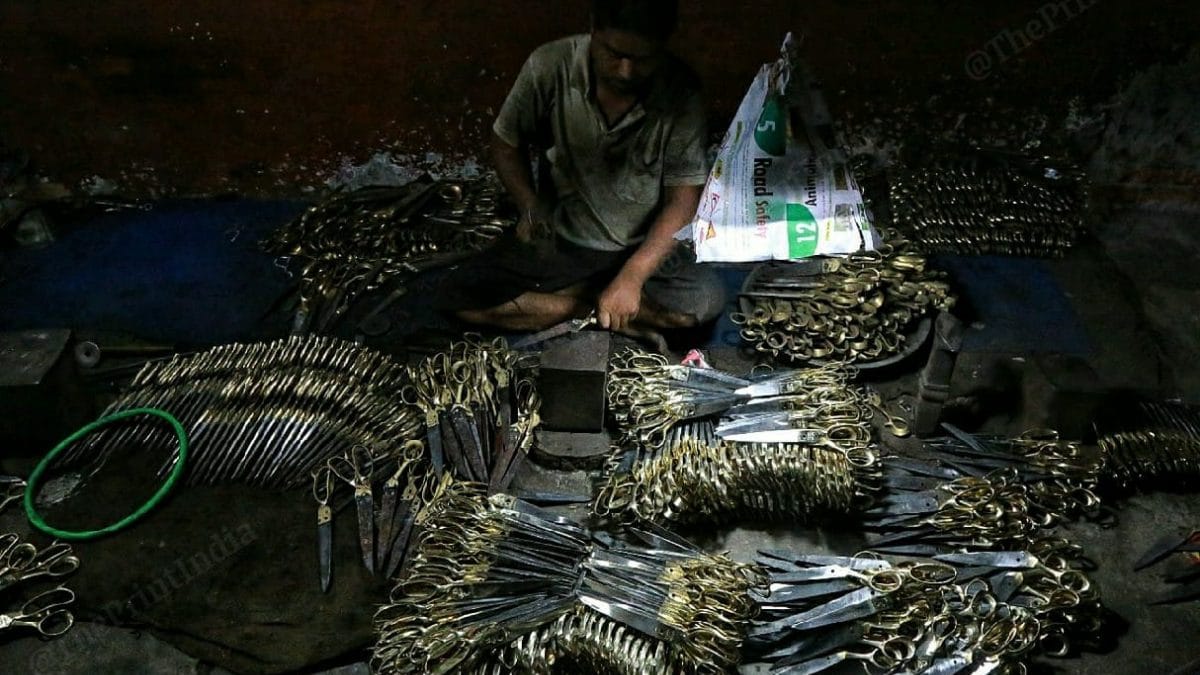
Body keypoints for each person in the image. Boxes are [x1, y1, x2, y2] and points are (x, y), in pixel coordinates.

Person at [435, 0, 725, 341]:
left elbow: (683, 201)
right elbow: (505, 142)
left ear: (662, 47)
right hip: (562, 242)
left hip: (637, 246)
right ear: (593, 29)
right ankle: (603, 311)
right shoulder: (549, 65)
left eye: (642, 60)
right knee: (456, 295)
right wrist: (530, 206)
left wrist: (632, 277)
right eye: (614, 53)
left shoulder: (681, 92)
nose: (625, 71)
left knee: (703, 302)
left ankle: (582, 302)